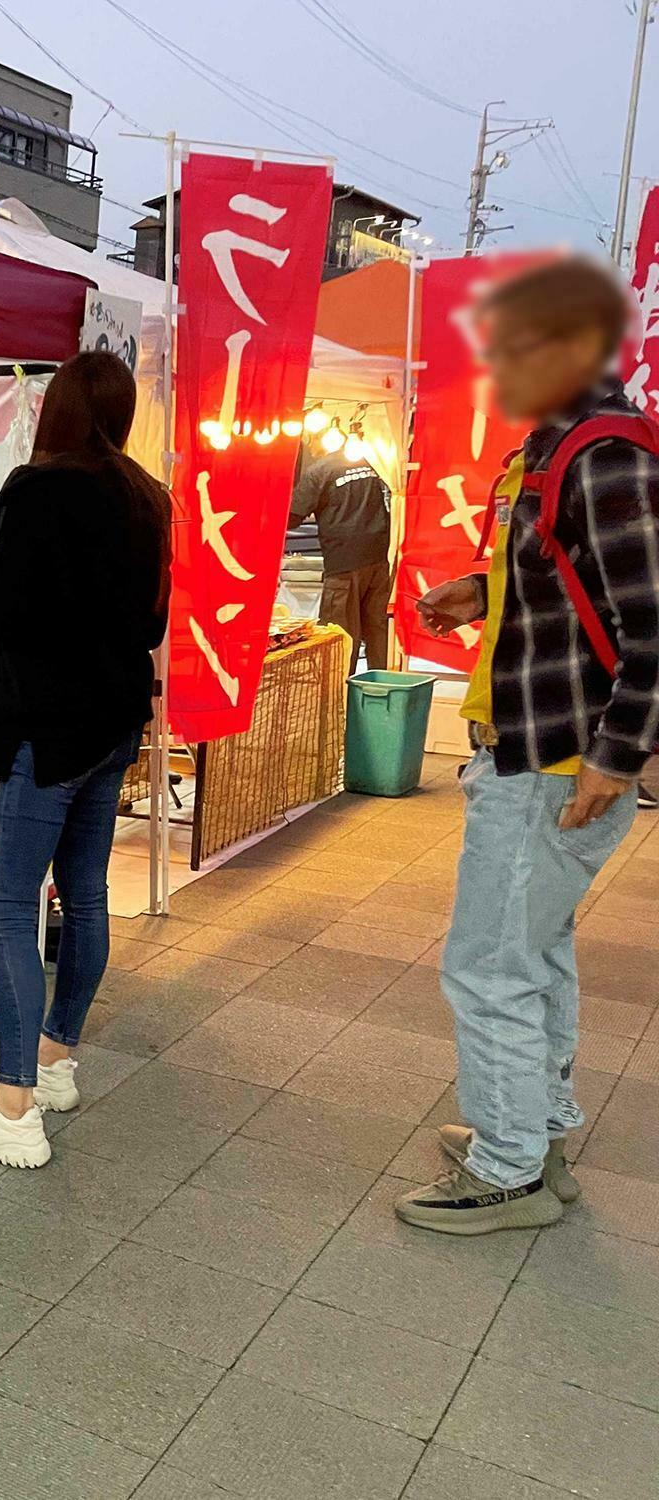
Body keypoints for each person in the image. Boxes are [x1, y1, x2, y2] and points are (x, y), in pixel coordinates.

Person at [401, 256, 659, 1235]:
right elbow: (572, 577)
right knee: (533, 952)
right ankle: (533, 1128)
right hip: (532, 746)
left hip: (555, 762)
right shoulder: (560, 447)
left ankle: (506, 1168)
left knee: (486, 964)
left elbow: (652, 629)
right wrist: (483, 590)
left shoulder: (606, 456)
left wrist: (613, 756)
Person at [0, 351, 172, 1168]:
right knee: (86, 897)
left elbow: (8, 614)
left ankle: (12, 1106)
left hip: (46, 731)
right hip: (111, 727)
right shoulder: (148, 497)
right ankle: (54, 1058)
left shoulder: (36, 490)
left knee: (5, 907)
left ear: (54, 410)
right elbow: (149, 623)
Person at [289, 432, 393, 671]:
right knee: (377, 629)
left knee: (340, 634)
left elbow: (292, 517)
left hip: (344, 565)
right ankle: (381, 690)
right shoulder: (374, 462)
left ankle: (339, 695)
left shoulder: (320, 471)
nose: (310, 446)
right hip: (380, 558)